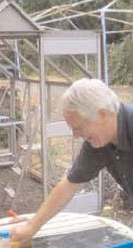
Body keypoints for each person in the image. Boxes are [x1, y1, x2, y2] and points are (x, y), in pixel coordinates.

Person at [11, 78, 133, 243]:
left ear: (102, 114)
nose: (76, 136)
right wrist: (32, 226)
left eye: (79, 128)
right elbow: (70, 184)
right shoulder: (98, 141)